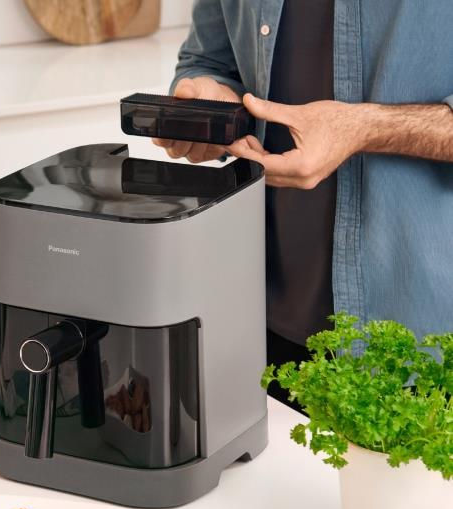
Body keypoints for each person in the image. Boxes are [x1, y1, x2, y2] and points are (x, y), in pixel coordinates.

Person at [153, 0, 453, 411]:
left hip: (428, 342)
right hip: (266, 331)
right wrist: (210, 101)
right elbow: (206, 61)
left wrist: (365, 127)